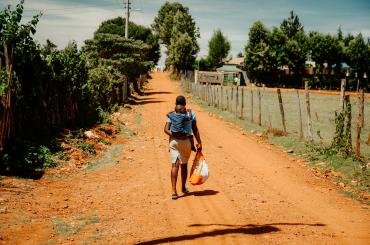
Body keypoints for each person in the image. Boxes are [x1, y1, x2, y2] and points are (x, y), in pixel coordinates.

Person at [164, 95, 202, 200]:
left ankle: (173, 191)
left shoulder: (171, 114)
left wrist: (174, 134)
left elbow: (165, 129)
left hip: (174, 141)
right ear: (185, 104)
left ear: (176, 104)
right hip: (186, 141)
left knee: (175, 165)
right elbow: (195, 129)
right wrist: (199, 142)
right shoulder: (191, 114)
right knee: (184, 165)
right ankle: (183, 188)